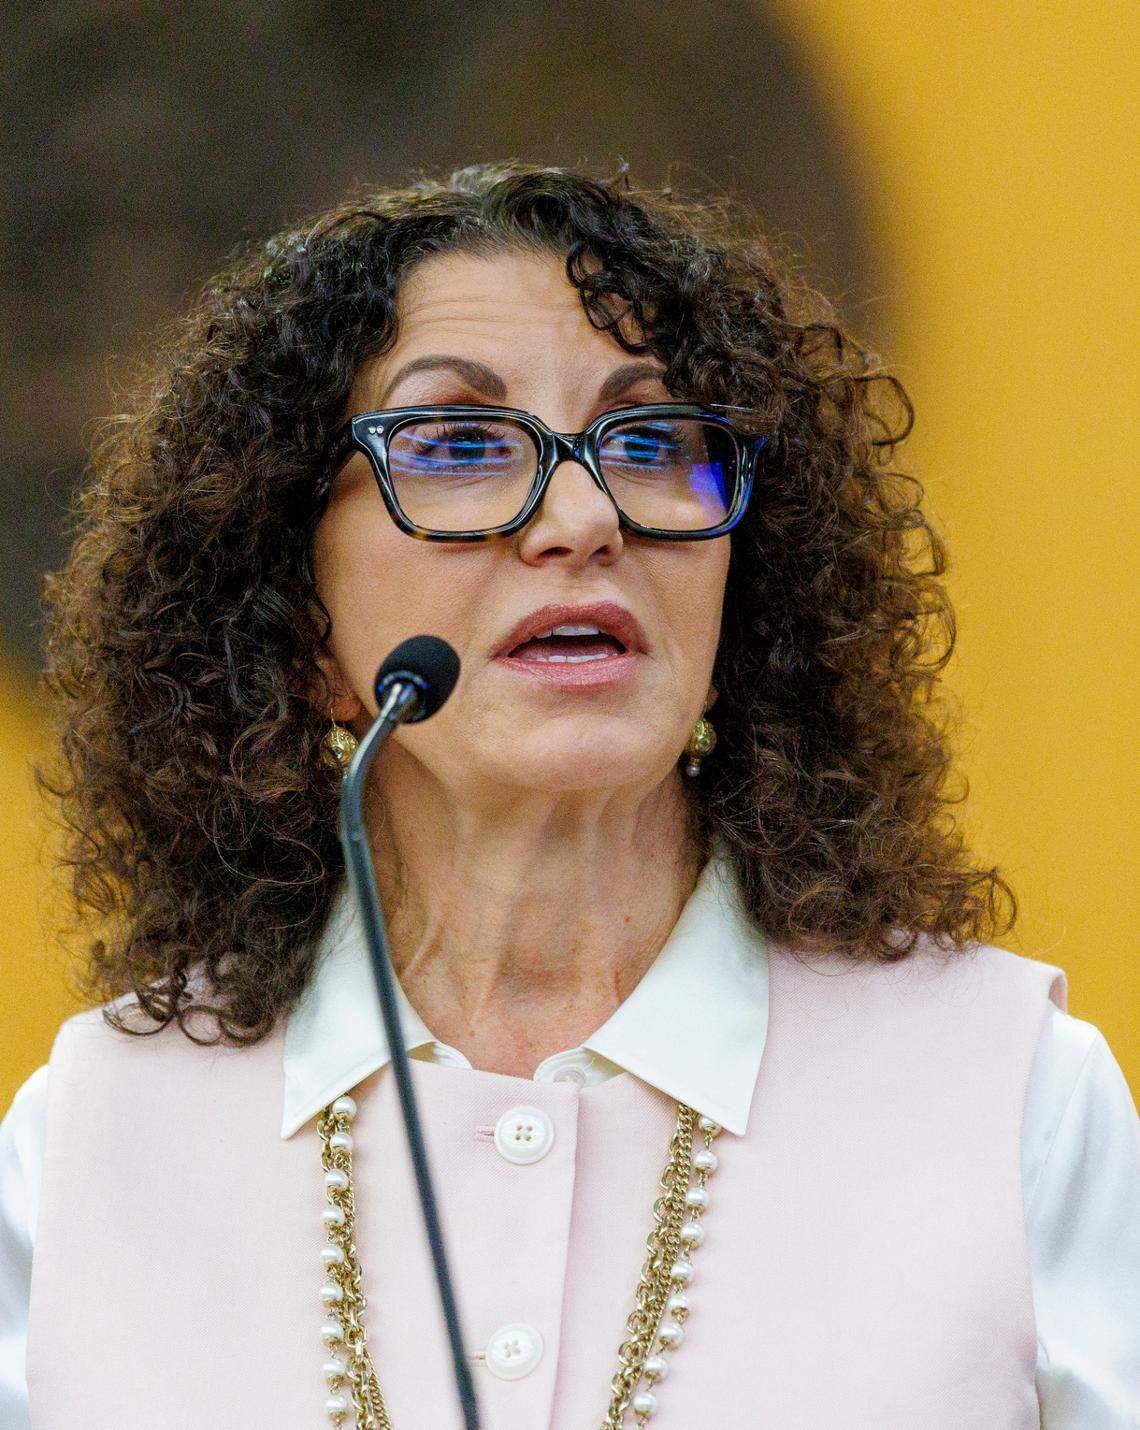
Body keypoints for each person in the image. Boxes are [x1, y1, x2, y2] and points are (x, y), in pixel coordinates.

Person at [1, 161, 1137, 1429]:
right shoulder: (94, 1138)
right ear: (292, 613)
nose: (586, 515)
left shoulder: (1010, 1092)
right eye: (458, 445)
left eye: (653, 440)